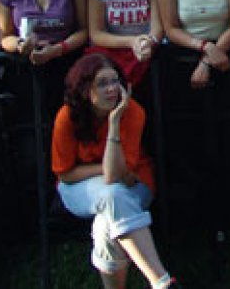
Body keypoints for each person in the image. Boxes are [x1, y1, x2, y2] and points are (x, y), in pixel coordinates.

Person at [51, 54, 178, 289]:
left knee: (105, 224)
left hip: (135, 184)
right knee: (113, 194)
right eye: (102, 84)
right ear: (85, 89)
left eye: (114, 81)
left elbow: (116, 175)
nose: (111, 89)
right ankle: (161, 281)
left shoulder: (132, 111)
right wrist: (103, 169)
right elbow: (66, 173)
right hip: (78, 187)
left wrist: (115, 122)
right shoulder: (67, 116)